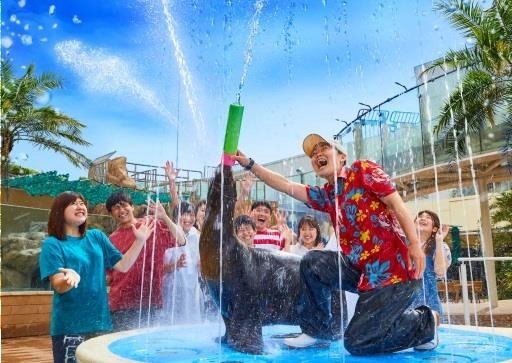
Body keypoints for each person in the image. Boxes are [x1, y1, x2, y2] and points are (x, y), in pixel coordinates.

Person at [233, 133, 437, 355]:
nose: (317, 154)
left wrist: (414, 244)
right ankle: (317, 330)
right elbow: (285, 185)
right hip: (360, 271)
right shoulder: (328, 195)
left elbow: (396, 203)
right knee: (312, 261)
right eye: (313, 153)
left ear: (341, 157)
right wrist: (250, 164)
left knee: (356, 343)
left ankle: (425, 321)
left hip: (393, 272)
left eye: (324, 148)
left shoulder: (362, 170)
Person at [39, 191, 154, 363]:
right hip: (71, 327)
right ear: (59, 211)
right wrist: (69, 278)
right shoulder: (53, 244)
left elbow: (123, 265)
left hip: (100, 324)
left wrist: (140, 241)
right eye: (73, 203)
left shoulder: (96, 236)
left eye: (82, 203)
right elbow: (58, 284)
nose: (80, 206)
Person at [106, 191, 185, 331]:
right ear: (111, 214)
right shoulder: (111, 239)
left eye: (124, 205)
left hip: (151, 301)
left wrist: (165, 217)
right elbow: (109, 274)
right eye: (115, 208)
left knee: (148, 349)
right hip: (121, 303)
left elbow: (181, 240)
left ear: (131, 207)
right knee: (122, 349)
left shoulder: (151, 225)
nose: (121, 210)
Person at [162, 201, 204, 324]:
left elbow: (199, 264)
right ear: (176, 217)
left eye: (191, 215)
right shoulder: (166, 234)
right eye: (184, 214)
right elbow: (158, 269)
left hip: (192, 288)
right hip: (172, 288)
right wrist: (175, 265)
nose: (188, 218)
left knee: (193, 323)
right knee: (172, 323)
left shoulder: (196, 235)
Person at [411, 210, 451, 328]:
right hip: (404, 302)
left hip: (430, 304)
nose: (422, 218)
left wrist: (439, 241)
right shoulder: (404, 245)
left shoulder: (440, 247)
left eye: (428, 217)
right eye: (419, 217)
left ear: (434, 229)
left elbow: (440, 271)